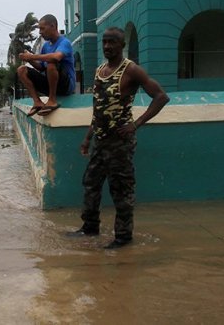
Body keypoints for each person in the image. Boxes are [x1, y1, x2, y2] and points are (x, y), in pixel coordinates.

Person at [69, 27, 170, 249]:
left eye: (112, 42)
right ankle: (90, 228)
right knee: (91, 183)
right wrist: (87, 138)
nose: (107, 46)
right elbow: (99, 109)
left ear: (121, 45)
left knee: (121, 190)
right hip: (100, 140)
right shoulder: (99, 71)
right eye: (104, 42)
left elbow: (161, 97)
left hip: (120, 143)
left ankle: (123, 237)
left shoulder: (131, 70)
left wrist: (136, 124)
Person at [17, 14, 75, 116]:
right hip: (50, 84)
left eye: (42, 29)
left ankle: (52, 100)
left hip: (66, 86)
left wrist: (32, 57)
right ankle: (37, 102)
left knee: (51, 62)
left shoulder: (65, 42)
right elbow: (41, 67)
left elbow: (55, 57)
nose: (40, 32)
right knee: (21, 70)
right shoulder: (45, 46)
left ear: (52, 26)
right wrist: (28, 58)